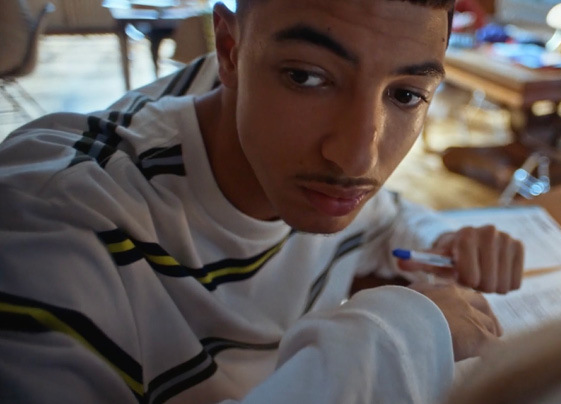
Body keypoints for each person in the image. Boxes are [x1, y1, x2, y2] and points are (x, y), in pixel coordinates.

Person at [0, 1, 526, 403]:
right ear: (229, 51)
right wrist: (398, 337)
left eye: (406, 94)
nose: (357, 159)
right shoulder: (51, 218)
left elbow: (390, 219)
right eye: (306, 77)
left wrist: (444, 242)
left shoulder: (316, 177)